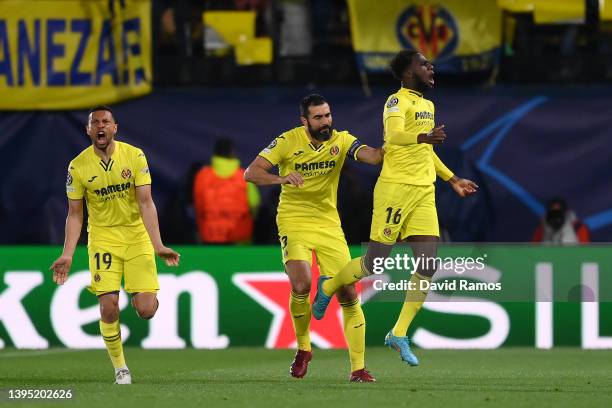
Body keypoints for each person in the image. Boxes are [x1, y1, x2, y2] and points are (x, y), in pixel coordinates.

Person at [312, 50, 478, 367]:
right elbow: (395, 136)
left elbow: (426, 151)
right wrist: (422, 135)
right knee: (375, 263)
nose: (430, 66)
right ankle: (330, 284)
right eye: (422, 63)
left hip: (423, 191)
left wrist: (453, 179)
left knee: (428, 265)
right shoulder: (395, 102)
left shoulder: (428, 105)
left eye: (430, 63)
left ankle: (398, 333)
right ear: (406, 74)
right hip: (395, 189)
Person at [244, 94, 383, 382]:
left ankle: (358, 368)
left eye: (328, 115)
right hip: (293, 220)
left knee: (348, 292)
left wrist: (398, 142)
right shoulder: (286, 141)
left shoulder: (341, 140)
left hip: (328, 223)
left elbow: (372, 156)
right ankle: (304, 348)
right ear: (304, 120)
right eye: (319, 117)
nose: (326, 122)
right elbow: (251, 173)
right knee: (302, 283)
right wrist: (280, 179)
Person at [49, 106, 180, 384]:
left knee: (146, 309)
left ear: (114, 128)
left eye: (105, 121)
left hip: (136, 237)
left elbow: (146, 202)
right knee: (108, 307)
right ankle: (121, 368)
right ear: (88, 130)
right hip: (103, 239)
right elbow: (75, 213)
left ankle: (139, 291)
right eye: (94, 122)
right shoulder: (78, 166)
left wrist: (158, 245)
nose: (100, 126)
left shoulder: (134, 156)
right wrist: (67, 254)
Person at [193, 138, 260, 243]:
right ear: (232, 152)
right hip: (239, 239)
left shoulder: (202, 176)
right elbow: (255, 205)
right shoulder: (244, 177)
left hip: (209, 238)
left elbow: (197, 206)